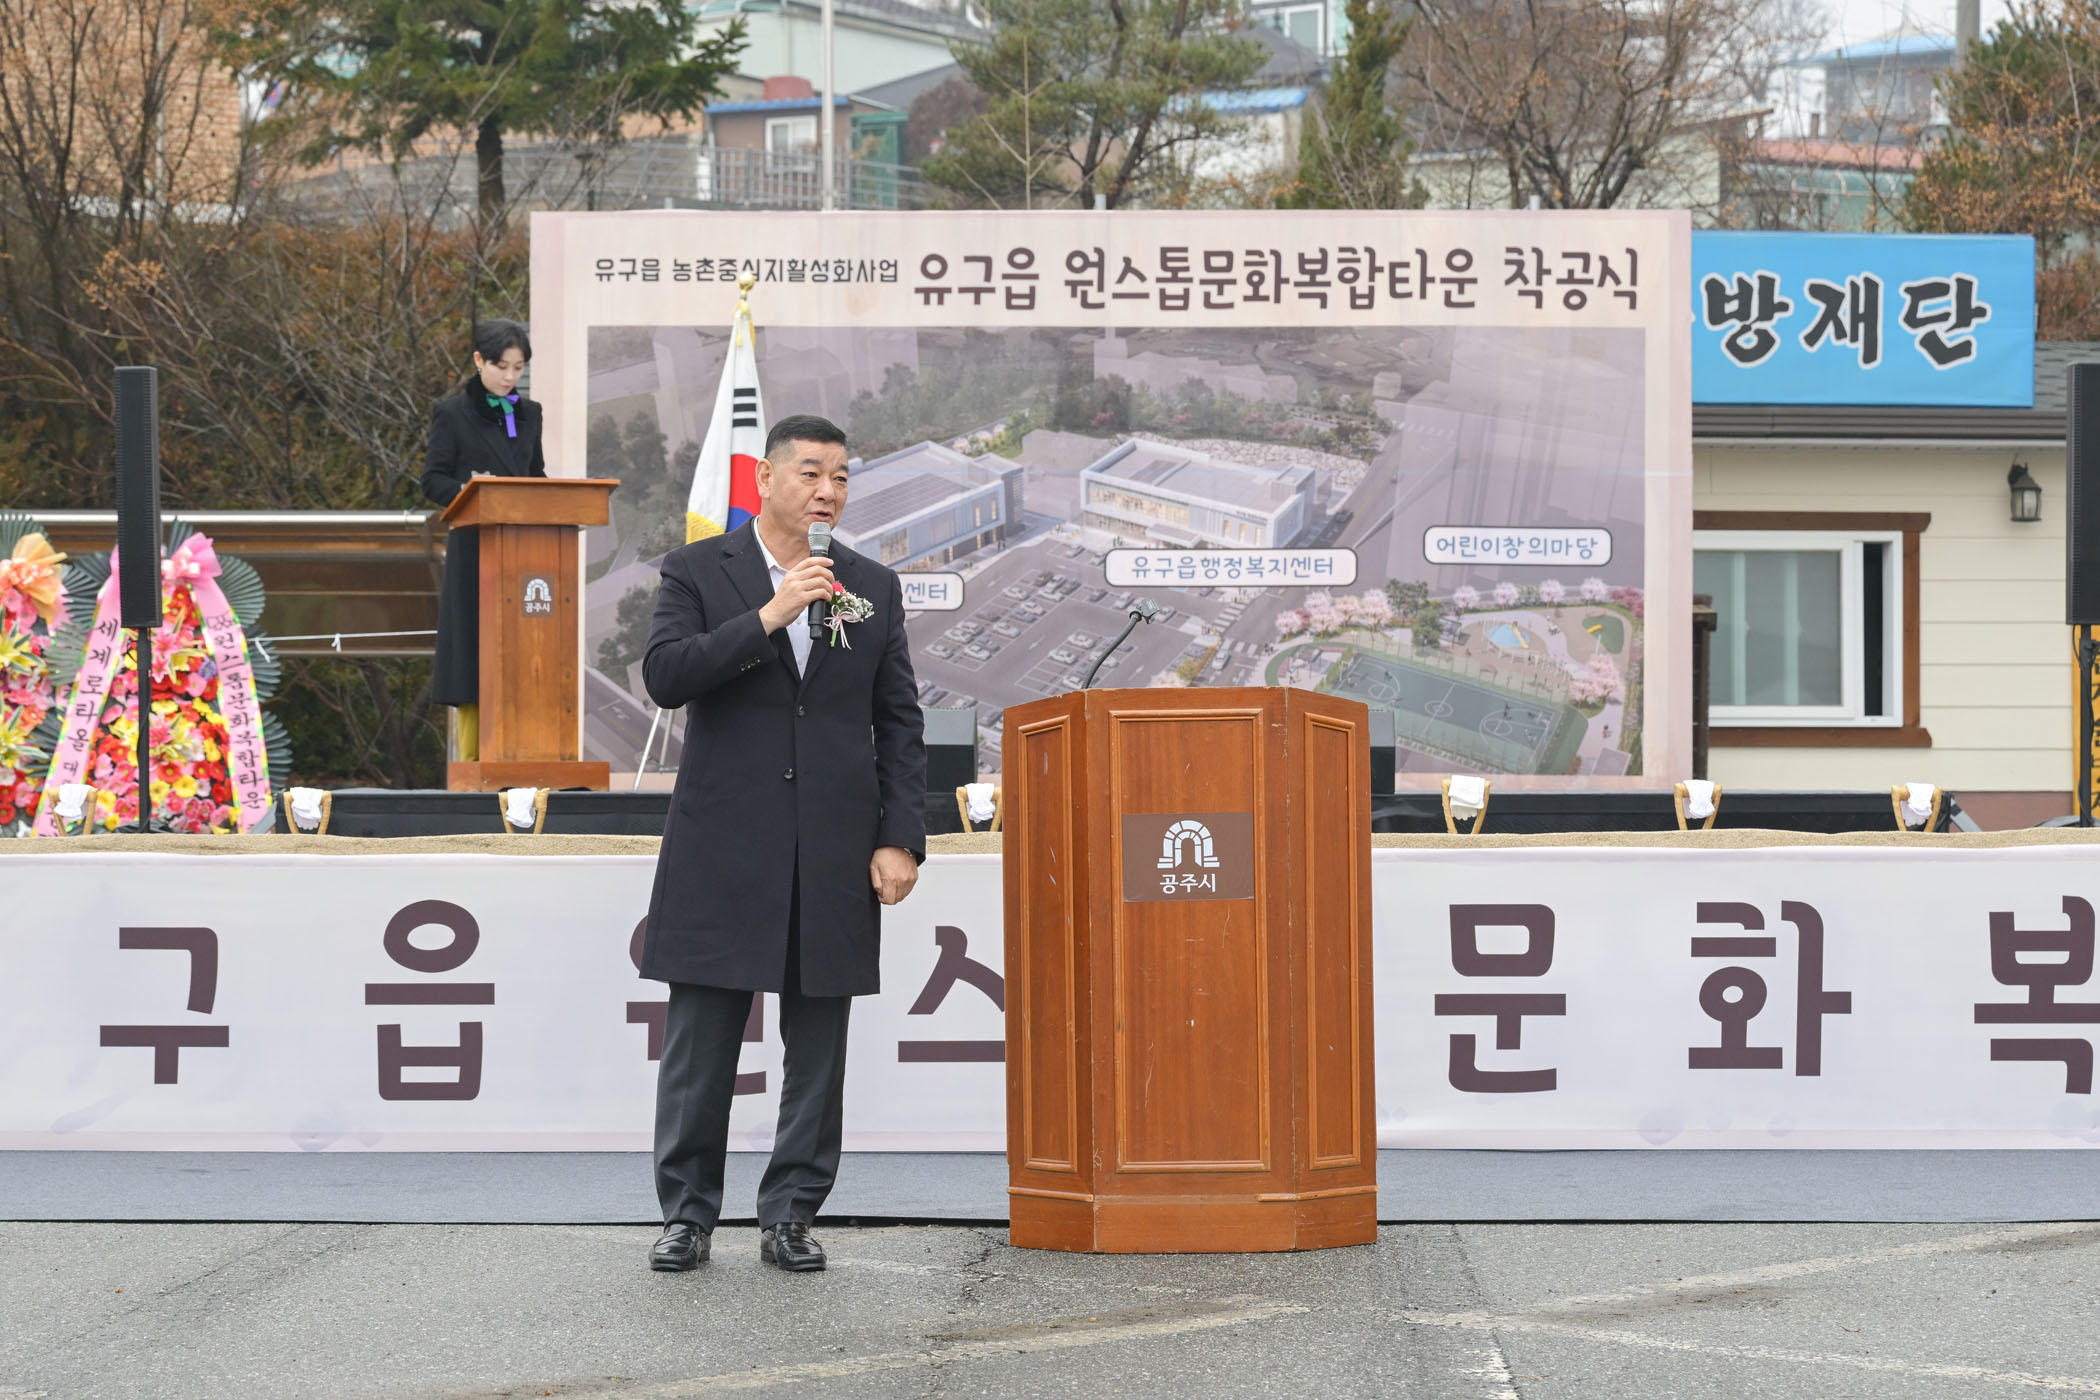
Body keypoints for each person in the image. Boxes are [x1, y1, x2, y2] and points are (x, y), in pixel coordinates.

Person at [637, 413, 925, 1274]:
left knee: (819, 1049)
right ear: (764, 478)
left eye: (841, 477)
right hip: (724, 844)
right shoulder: (697, 569)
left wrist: (900, 838)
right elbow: (667, 676)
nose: (828, 491)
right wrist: (772, 612)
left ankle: (791, 1213)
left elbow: (898, 722)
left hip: (834, 848)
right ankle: (687, 1214)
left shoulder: (871, 584)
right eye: (810, 473)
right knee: (701, 1048)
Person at [421, 319, 546, 760]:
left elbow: (535, 476)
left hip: (526, 552)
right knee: (475, 654)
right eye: (501, 366)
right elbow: (432, 479)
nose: (510, 377)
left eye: (518, 368)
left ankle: (526, 756)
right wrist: (469, 490)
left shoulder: (531, 413)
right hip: (475, 549)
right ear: (479, 360)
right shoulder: (452, 413)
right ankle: (476, 762)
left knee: (526, 649)